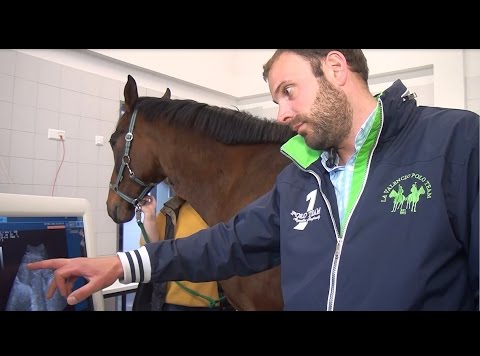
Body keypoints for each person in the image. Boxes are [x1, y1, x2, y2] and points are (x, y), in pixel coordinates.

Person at [28, 49, 479, 311]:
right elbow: (226, 244)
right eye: (276, 99)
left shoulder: (456, 143)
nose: (281, 114)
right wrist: (123, 265)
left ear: (336, 68)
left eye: (288, 91)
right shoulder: (300, 180)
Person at [133, 194, 232, 311]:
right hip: (170, 304)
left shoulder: (221, 210)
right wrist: (149, 215)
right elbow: (149, 251)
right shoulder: (171, 211)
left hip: (212, 303)